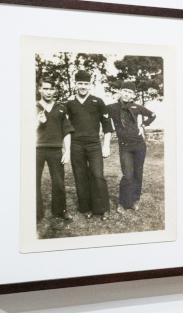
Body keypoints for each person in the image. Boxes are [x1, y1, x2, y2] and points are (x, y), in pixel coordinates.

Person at [65, 70, 113, 218]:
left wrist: (106, 145)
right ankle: (86, 208)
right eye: (80, 83)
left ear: (90, 85)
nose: (83, 86)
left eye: (86, 83)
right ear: (75, 84)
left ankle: (103, 208)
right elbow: (65, 127)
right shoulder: (69, 104)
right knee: (80, 176)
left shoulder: (98, 102)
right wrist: (67, 149)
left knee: (97, 175)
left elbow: (107, 125)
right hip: (76, 145)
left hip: (94, 144)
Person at [106, 86, 157, 213]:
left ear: (133, 95)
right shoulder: (112, 107)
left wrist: (143, 125)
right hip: (125, 147)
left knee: (137, 174)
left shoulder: (136, 107)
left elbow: (153, 115)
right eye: (125, 91)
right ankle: (122, 203)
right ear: (120, 91)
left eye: (130, 92)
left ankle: (135, 199)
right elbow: (97, 112)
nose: (127, 94)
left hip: (139, 145)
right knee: (127, 174)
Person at [35, 79, 73, 223]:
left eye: (51, 89)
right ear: (39, 89)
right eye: (45, 88)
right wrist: (38, 122)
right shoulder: (33, 107)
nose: (49, 92)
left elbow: (67, 131)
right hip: (36, 149)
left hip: (56, 149)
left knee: (58, 181)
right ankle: (36, 212)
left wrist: (67, 151)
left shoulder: (61, 108)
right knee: (34, 181)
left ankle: (60, 210)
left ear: (55, 90)